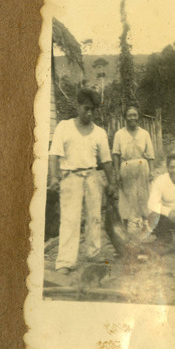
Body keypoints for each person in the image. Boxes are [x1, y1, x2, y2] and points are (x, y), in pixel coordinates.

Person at [49, 88, 115, 274]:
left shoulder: (100, 132)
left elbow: (107, 160)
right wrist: (54, 177)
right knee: (70, 219)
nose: (89, 113)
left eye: (93, 109)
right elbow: (53, 155)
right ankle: (65, 261)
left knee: (95, 216)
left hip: (92, 176)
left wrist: (112, 183)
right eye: (86, 108)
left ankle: (93, 253)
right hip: (70, 177)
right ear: (78, 106)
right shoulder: (64, 126)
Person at [112, 106, 155, 230]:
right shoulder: (119, 134)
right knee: (127, 197)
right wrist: (116, 173)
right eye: (129, 115)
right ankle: (127, 226)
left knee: (143, 196)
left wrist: (151, 171)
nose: (132, 118)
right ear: (125, 117)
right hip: (126, 166)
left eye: (134, 115)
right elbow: (115, 154)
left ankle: (145, 225)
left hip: (142, 166)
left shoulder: (144, 133)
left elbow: (151, 155)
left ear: (138, 117)